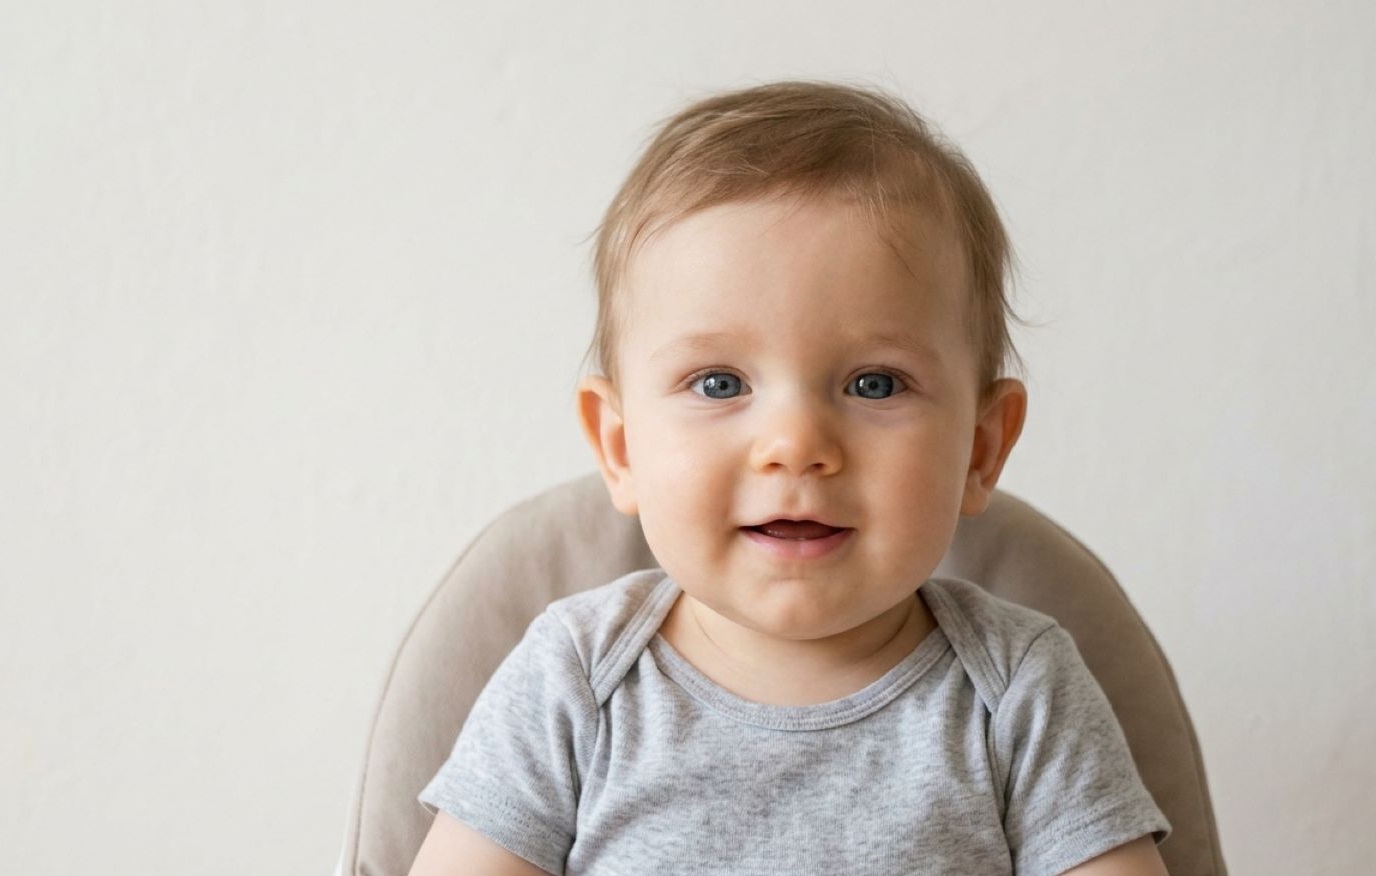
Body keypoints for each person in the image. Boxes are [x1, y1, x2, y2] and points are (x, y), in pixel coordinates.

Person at [408, 81, 1171, 876]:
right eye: (719, 383)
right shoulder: (573, 681)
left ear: (981, 448)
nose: (796, 445)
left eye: (874, 384)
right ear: (622, 446)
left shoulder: (1017, 691)